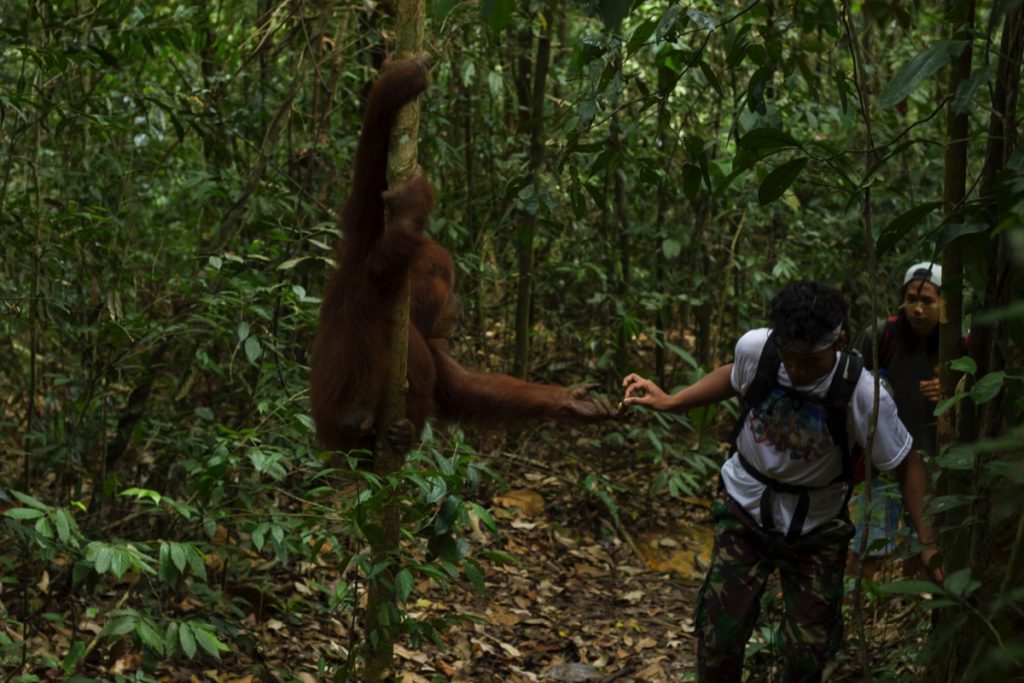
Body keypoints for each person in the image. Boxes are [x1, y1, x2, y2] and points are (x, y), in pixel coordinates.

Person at [621, 280, 942, 683]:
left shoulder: (861, 392)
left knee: (808, 652)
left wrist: (928, 544)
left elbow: (906, 463)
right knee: (719, 637)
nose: (797, 369)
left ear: (838, 341)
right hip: (744, 510)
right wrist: (673, 400)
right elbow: (734, 376)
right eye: (789, 357)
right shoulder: (759, 349)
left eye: (809, 360)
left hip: (817, 528)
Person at [846, 262, 945, 580]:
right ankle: (856, 610)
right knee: (868, 545)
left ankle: (910, 612)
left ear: (943, 303)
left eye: (927, 301)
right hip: (880, 465)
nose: (918, 309)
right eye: (911, 299)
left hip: (931, 461)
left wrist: (952, 390)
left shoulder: (956, 344)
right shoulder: (882, 335)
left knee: (925, 544)